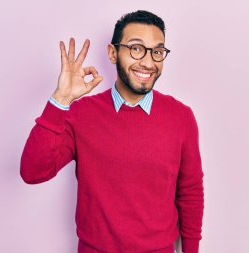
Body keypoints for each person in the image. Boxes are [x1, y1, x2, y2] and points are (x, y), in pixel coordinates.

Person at [20, 10, 204, 253]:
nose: (148, 62)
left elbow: (190, 192)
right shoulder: (81, 113)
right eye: (136, 48)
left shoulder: (182, 117)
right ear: (113, 52)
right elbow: (33, 172)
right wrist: (60, 100)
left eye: (157, 52)